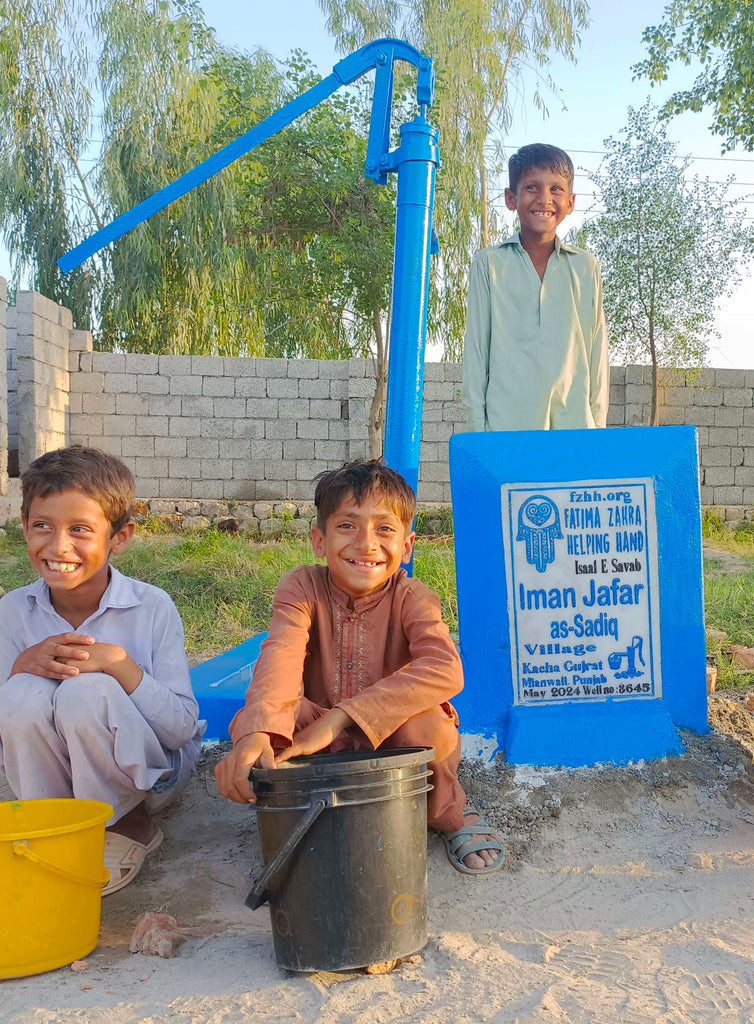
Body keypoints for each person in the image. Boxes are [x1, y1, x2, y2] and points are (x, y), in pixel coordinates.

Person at [214, 459, 505, 874]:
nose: (366, 544)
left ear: (406, 546)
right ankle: (296, 804)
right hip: (317, 740)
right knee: (265, 716)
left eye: (384, 529)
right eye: (348, 526)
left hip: (390, 740)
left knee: (430, 726)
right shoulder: (301, 587)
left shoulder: (413, 596)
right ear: (319, 540)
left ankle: (448, 813)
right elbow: (280, 656)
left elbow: (444, 668)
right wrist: (255, 733)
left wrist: (343, 717)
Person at [0, 446, 202, 894]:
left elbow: (182, 729)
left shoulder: (151, 607)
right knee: (18, 693)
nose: (58, 547)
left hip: (152, 775)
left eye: (79, 530)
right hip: (58, 778)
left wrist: (118, 666)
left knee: (85, 691)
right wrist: (18, 668)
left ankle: (128, 825)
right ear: (24, 528)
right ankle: (54, 823)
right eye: (42, 527)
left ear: (120, 536)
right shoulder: (12, 612)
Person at [461, 142, 609, 433]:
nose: (544, 199)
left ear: (571, 201)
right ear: (510, 198)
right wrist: (478, 434)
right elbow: (477, 351)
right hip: (506, 429)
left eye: (556, 189)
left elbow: (597, 352)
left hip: (575, 429)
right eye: (531, 187)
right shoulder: (489, 264)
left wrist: (597, 429)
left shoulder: (585, 266)